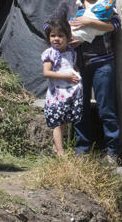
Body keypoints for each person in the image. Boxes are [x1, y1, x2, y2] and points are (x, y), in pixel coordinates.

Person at [48, 0, 121, 164]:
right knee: (80, 108)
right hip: (76, 65)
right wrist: (65, 38)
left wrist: (90, 23)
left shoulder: (106, 4)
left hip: (102, 63)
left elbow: (115, 25)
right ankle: (82, 150)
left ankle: (112, 151)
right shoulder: (69, 4)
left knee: (106, 108)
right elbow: (49, 25)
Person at [41, 18, 82, 156]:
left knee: (64, 122)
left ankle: (55, 147)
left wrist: (77, 73)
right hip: (57, 96)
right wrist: (67, 77)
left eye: (60, 36)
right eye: (53, 36)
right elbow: (47, 73)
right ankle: (61, 153)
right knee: (58, 124)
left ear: (68, 37)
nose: (56, 39)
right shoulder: (50, 54)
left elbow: (72, 66)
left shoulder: (70, 52)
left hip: (69, 94)